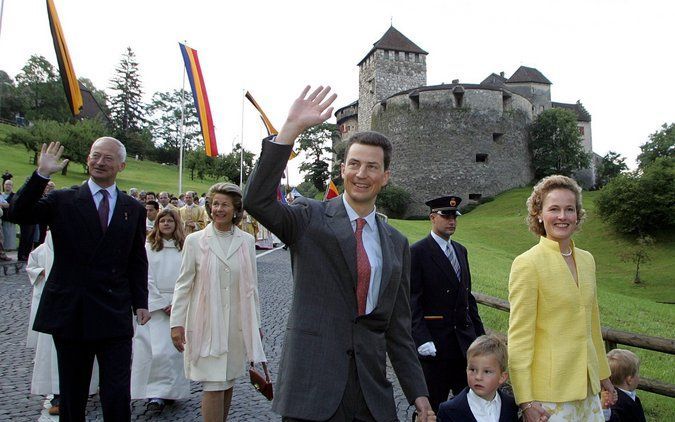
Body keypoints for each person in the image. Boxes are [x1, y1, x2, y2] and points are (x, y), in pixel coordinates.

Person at [244, 86, 434, 422]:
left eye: (372, 167)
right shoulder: (308, 217)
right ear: (342, 168)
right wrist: (290, 129)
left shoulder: (396, 243)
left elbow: (398, 329)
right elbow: (257, 200)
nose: (362, 174)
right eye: (355, 164)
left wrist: (419, 396)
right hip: (312, 387)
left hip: (370, 393)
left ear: (385, 176)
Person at [8, 139, 150, 421]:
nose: (100, 162)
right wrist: (41, 175)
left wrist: (140, 302)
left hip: (115, 312)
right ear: (87, 160)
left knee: (117, 392)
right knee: (73, 394)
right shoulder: (63, 200)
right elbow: (18, 213)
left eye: (108, 158)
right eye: (95, 156)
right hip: (73, 312)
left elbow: (136, 259)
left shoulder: (132, 208)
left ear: (121, 165)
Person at [507, 175, 617, 422]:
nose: (562, 216)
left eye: (569, 209)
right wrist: (525, 401)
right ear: (538, 213)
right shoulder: (527, 264)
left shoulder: (587, 260)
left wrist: (603, 376)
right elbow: (519, 338)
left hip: (588, 392)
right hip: (549, 396)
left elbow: (592, 325)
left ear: (578, 215)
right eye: (553, 209)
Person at [170, 182, 266, 422]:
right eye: (215, 204)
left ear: (236, 210)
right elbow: (183, 284)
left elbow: (252, 286)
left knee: (227, 380)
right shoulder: (194, 241)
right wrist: (176, 324)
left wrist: (257, 324)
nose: (218, 209)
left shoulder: (246, 240)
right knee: (213, 384)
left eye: (225, 204)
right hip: (206, 323)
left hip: (236, 323)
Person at [411, 195, 485, 412]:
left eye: (454, 216)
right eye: (446, 216)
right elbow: (412, 301)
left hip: (463, 345)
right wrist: (422, 339)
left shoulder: (460, 251)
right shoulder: (418, 252)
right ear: (432, 217)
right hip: (435, 347)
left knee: (469, 407)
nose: (451, 221)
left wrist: (480, 336)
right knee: (433, 407)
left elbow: (467, 298)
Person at [26, 232, 99, 416]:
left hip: (83, 300)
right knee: (53, 353)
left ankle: (84, 389)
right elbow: (34, 263)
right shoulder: (50, 239)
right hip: (56, 301)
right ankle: (59, 393)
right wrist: (42, 272)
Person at [131, 208, 190, 410]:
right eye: (162, 221)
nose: (166, 224)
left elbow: (189, 276)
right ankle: (153, 393)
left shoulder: (185, 248)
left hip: (177, 305)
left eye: (170, 221)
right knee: (153, 351)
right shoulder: (148, 247)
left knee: (173, 353)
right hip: (154, 306)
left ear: (176, 224)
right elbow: (144, 275)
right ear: (157, 224)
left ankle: (170, 391)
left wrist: (176, 303)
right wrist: (159, 302)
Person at [437, 334, 518, 422]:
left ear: (502, 377)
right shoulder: (449, 410)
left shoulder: (510, 406)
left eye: (487, 371)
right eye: (473, 370)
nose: (478, 377)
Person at [605, 349, 646, 422]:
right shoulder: (617, 404)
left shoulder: (627, 396)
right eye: (637, 373)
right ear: (629, 380)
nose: (639, 376)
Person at [1, 178, 16, 250]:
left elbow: (12, 205)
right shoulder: (1, 195)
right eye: (6, 184)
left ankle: (9, 249)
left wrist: (3, 205)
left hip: (10, 218)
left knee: (9, 235)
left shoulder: (14, 196)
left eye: (9, 184)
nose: (8, 186)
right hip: (1, 218)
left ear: (12, 186)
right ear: (3, 185)